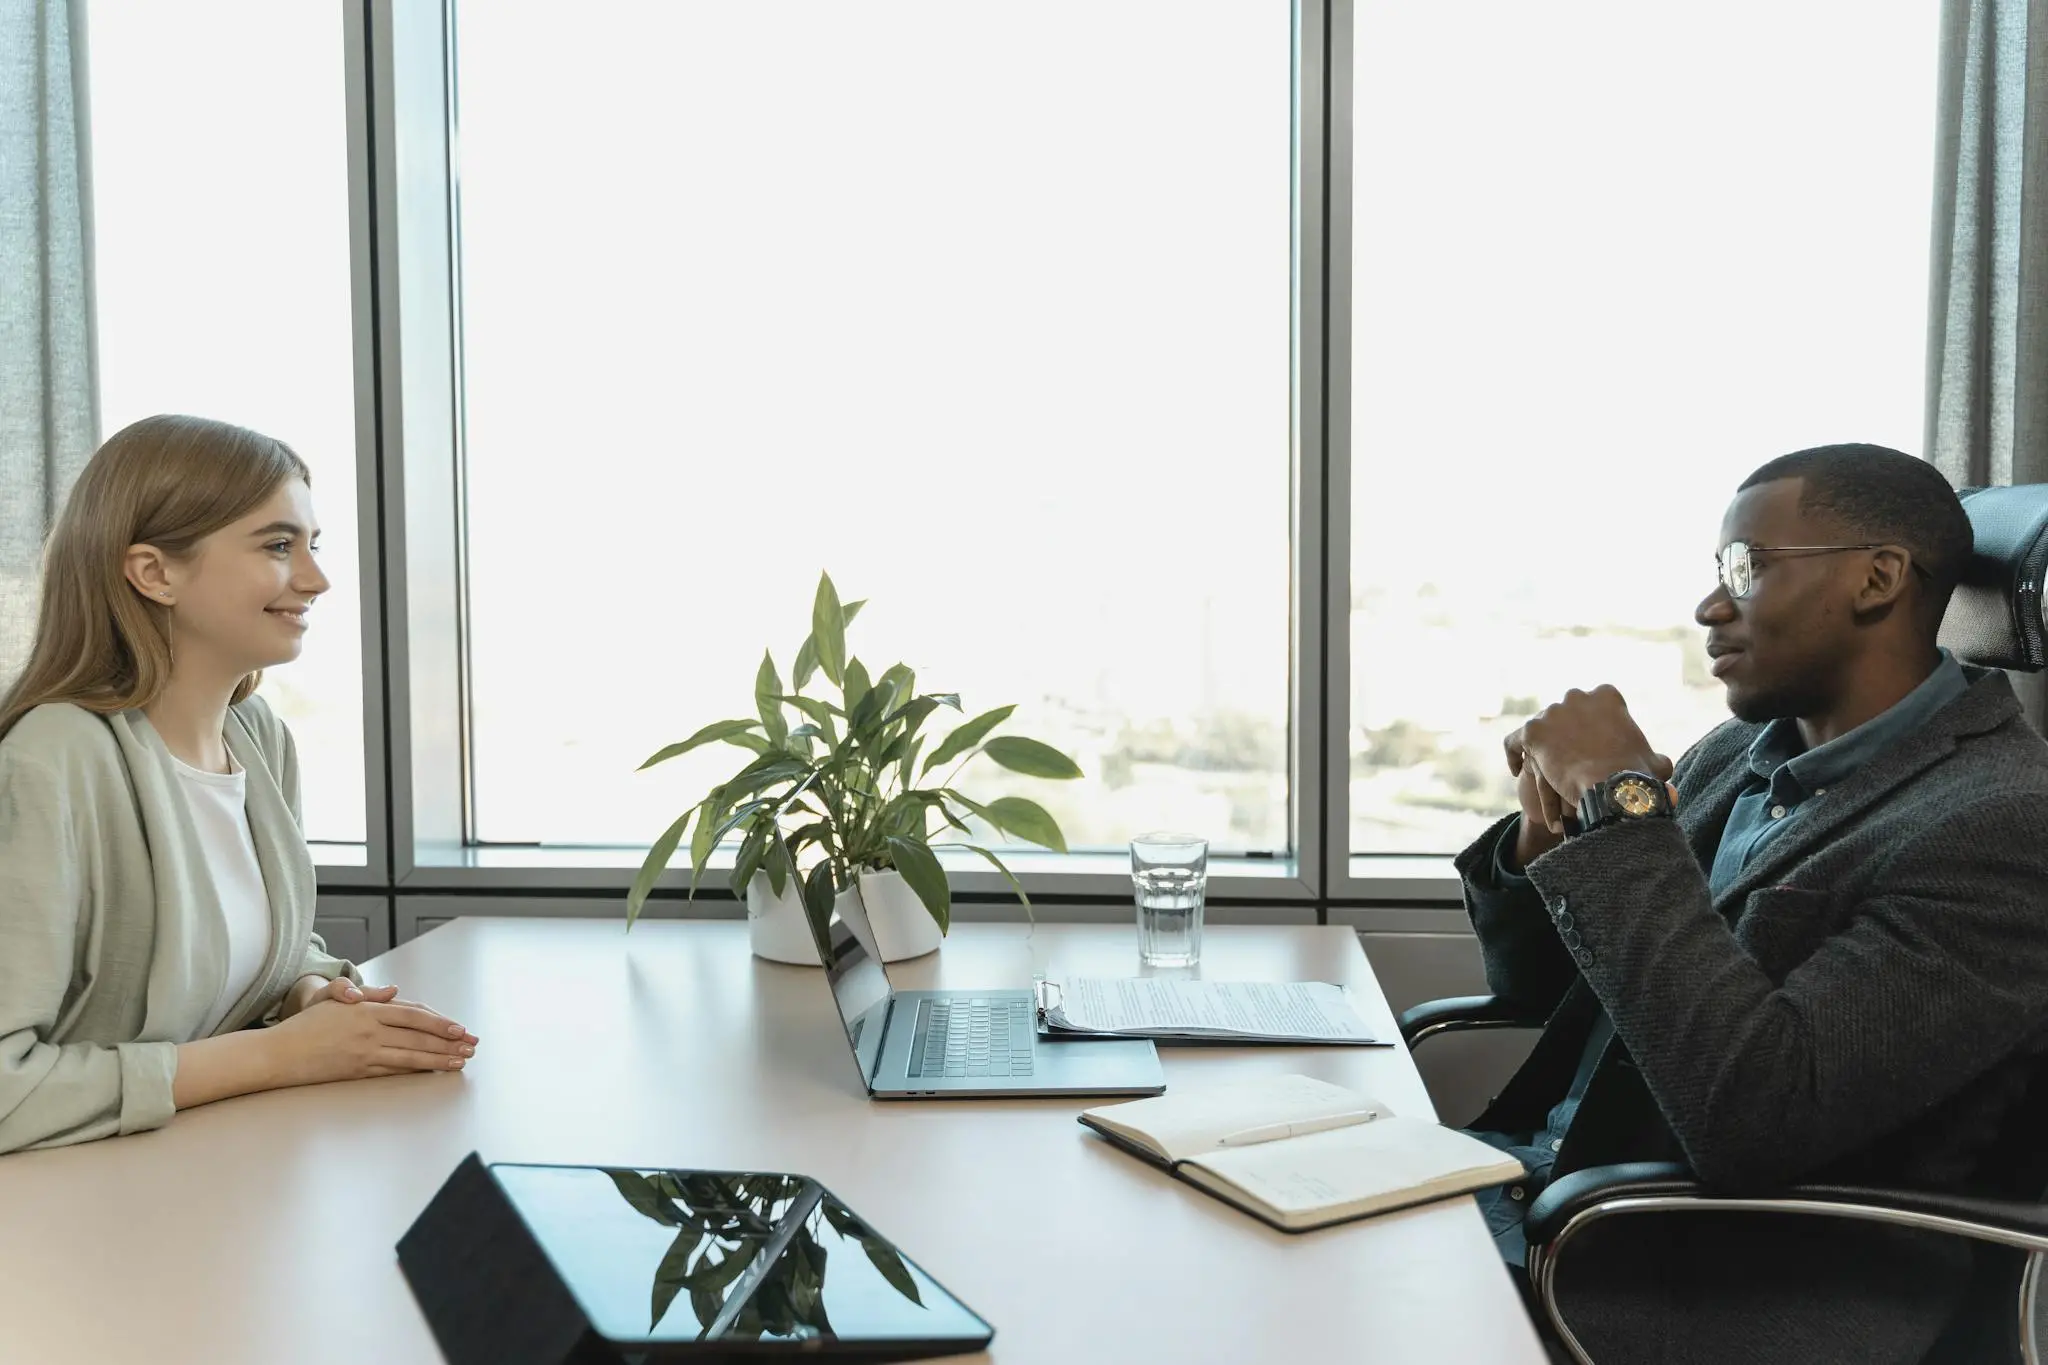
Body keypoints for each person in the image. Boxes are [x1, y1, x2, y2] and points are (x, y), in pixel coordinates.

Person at [1457, 444, 2048, 1364]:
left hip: (1685, 1271)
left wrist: (1623, 808)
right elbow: (1532, 987)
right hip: (1540, 1185)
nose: (1710, 605)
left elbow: (1758, 1114)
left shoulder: (2002, 826)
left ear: (1878, 578)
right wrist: (1551, 829)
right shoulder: (1737, 755)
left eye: (1748, 566)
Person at [0, 415, 479, 1156]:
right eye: (278, 546)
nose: (316, 579)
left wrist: (309, 992)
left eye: (312, 546)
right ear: (154, 572)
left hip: (207, 1183)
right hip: (66, 1226)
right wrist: (281, 1055)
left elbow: (248, 954)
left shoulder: (256, 737)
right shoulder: (51, 759)